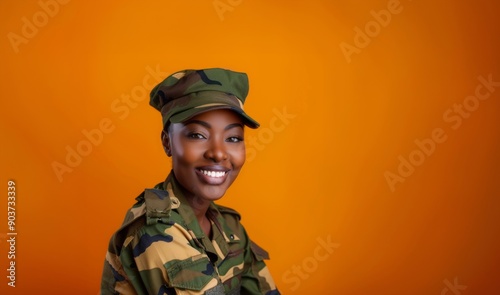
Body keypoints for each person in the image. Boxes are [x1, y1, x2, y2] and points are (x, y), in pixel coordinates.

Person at [100, 68, 280, 295]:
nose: (218, 153)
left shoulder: (229, 227)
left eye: (233, 138)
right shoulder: (153, 230)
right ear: (167, 142)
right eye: (198, 135)